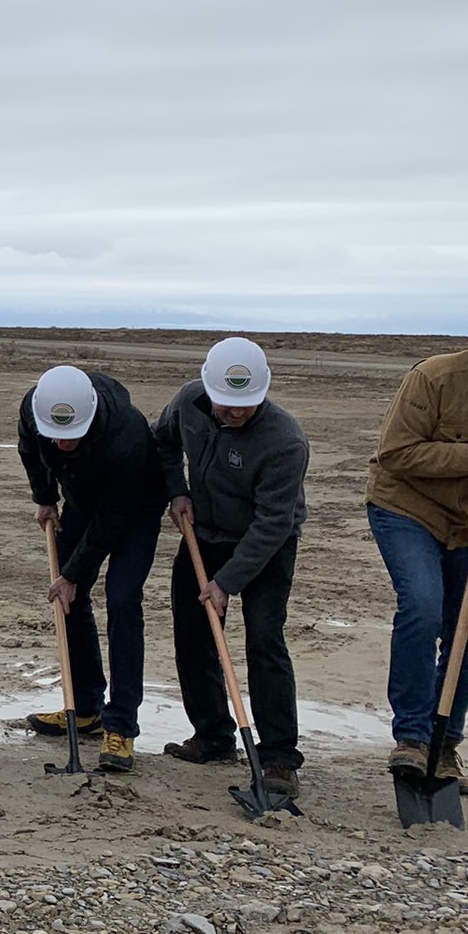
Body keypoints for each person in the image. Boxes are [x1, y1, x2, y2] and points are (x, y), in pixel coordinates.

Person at [153, 336, 309, 800]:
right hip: (203, 532)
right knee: (194, 632)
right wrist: (176, 490)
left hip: (266, 544)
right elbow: (161, 445)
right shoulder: (188, 402)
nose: (235, 412)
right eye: (226, 404)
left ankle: (279, 756)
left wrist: (226, 582)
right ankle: (214, 735)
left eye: (245, 404)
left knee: (264, 637)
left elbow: (273, 523)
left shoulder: (285, 440)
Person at [15, 365, 167, 773]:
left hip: (134, 509)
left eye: (72, 435)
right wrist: (45, 496)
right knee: (68, 599)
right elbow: (30, 448)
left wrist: (74, 573)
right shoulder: (35, 409)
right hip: (81, 499)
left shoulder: (127, 437)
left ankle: (121, 727)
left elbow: (112, 520)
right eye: (56, 435)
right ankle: (85, 708)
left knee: (122, 599)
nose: (63, 442)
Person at [365, 286, 468, 793]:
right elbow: (397, 453)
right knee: (424, 606)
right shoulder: (435, 377)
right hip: (406, 508)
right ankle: (411, 738)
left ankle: (444, 744)